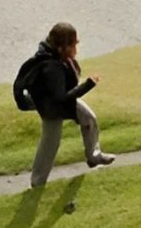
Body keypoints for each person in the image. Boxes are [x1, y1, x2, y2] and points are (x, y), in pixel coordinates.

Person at [25, 23, 115, 187]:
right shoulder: (52, 67)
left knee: (89, 119)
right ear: (62, 47)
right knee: (50, 143)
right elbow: (62, 98)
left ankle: (93, 156)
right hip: (51, 108)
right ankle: (37, 181)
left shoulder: (59, 57)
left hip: (61, 100)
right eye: (73, 44)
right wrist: (88, 84)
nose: (76, 48)